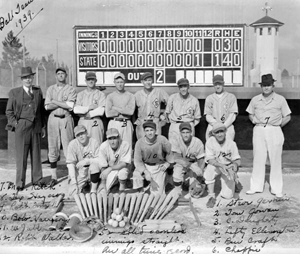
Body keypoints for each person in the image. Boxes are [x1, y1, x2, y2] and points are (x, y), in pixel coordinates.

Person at [246, 74, 291, 198]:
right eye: (264, 85)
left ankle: (276, 189)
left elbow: (287, 116)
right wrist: (255, 121)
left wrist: (276, 126)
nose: (266, 88)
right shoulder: (255, 99)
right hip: (259, 129)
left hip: (274, 130)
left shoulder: (280, 99)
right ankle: (255, 187)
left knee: (275, 160)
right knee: (258, 158)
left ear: (273, 86)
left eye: (268, 85)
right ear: (261, 86)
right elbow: (250, 113)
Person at [5, 66, 46, 191]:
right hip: (21, 127)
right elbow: (9, 111)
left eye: (30, 77)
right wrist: (16, 124)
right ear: (22, 79)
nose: (28, 80)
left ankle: (37, 180)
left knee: (36, 154)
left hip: (36, 126)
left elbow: (41, 111)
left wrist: (42, 126)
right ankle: (20, 182)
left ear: (33, 77)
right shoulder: (14, 92)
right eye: (25, 78)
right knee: (21, 155)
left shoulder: (38, 91)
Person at [44, 67, 77, 187]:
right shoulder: (50, 89)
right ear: (56, 76)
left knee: (69, 147)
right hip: (53, 119)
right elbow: (47, 106)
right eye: (58, 74)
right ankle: (54, 176)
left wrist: (55, 102)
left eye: (63, 74)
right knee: (53, 147)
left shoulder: (70, 89)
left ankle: (71, 176)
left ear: (66, 75)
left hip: (66, 119)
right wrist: (61, 103)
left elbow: (70, 105)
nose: (61, 76)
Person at [204, 122, 241, 208]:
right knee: (209, 170)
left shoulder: (231, 143)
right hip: (216, 165)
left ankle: (234, 184)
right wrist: (220, 165)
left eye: (222, 131)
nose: (220, 134)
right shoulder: (210, 142)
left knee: (228, 196)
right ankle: (211, 196)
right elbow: (209, 159)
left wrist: (234, 166)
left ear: (225, 132)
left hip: (228, 167)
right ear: (213, 133)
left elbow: (237, 159)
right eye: (217, 132)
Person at [133, 121, 172, 194]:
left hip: (158, 166)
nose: (149, 133)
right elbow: (137, 161)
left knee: (157, 195)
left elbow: (170, 152)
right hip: (145, 166)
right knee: (136, 175)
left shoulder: (162, 139)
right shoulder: (139, 142)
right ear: (144, 131)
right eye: (147, 130)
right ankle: (142, 190)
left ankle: (163, 184)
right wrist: (145, 171)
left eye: (151, 130)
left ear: (155, 130)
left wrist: (167, 163)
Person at [171, 122, 205, 197]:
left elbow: (201, 159)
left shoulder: (198, 142)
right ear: (180, 133)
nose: (185, 135)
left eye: (187, 132)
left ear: (191, 132)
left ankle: (188, 183)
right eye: (183, 132)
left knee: (195, 192)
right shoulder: (176, 140)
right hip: (182, 163)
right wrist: (191, 166)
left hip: (194, 163)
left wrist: (200, 172)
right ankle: (178, 190)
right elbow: (177, 158)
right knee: (177, 174)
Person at [165, 78, 201, 147]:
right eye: (181, 87)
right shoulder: (172, 98)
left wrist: (191, 126)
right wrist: (173, 123)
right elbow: (167, 113)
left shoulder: (194, 100)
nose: (183, 89)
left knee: (188, 149)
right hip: (175, 125)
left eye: (185, 86)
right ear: (178, 88)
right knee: (173, 149)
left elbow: (197, 118)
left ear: (188, 87)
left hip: (188, 125)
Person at [66, 125, 100, 196]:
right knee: (73, 194)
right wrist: (74, 182)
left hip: (93, 172)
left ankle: (93, 189)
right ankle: (85, 186)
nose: (81, 136)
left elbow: (100, 160)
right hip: (80, 173)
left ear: (86, 133)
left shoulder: (94, 142)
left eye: (82, 133)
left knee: (101, 193)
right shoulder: (72, 144)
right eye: (78, 135)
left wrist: (87, 161)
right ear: (76, 137)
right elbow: (70, 164)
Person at [134, 72, 169, 139]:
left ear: (152, 81)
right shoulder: (137, 94)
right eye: (145, 80)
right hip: (142, 122)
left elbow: (170, 103)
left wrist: (164, 115)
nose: (148, 82)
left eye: (149, 80)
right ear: (142, 82)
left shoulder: (159, 92)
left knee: (156, 144)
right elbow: (131, 108)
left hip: (155, 121)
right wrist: (134, 121)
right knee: (142, 145)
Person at [74, 72, 106, 144]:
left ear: (96, 81)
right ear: (85, 81)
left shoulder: (101, 94)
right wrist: (89, 107)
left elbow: (101, 110)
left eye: (92, 79)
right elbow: (76, 110)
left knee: (96, 145)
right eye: (88, 79)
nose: (90, 81)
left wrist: (88, 113)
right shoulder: (80, 94)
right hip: (83, 121)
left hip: (95, 121)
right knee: (82, 145)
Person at [204, 74, 238, 141]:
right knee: (211, 147)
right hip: (213, 125)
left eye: (220, 84)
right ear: (213, 85)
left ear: (223, 84)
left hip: (227, 126)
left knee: (227, 148)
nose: (218, 86)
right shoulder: (209, 98)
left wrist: (223, 126)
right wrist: (217, 125)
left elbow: (232, 115)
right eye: (216, 84)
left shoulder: (231, 97)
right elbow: (208, 115)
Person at [105, 73, 135, 148]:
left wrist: (115, 108)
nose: (120, 84)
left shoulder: (130, 96)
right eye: (118, 82)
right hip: (114, 122)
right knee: (113, 146)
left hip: (126, 122)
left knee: (127, 146)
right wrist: (124, 110)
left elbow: (130, 112)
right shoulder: (110, 96)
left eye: (121, 82)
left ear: (124, 82)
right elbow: (108, 113)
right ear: (114, 83)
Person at [97, 128, 132, 192]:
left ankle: (122, 189)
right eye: (110, 139)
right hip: (109, 171)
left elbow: (124, 164)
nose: (112, 141)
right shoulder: (103, 146)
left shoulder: (125, 144)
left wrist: (110, 168)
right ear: (107, 139)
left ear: (119, 137)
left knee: (122, 173)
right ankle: (114, 185)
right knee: (103, 192)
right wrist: (103, 182)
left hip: (123, 168)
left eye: (114, 138)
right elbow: (103, 165)